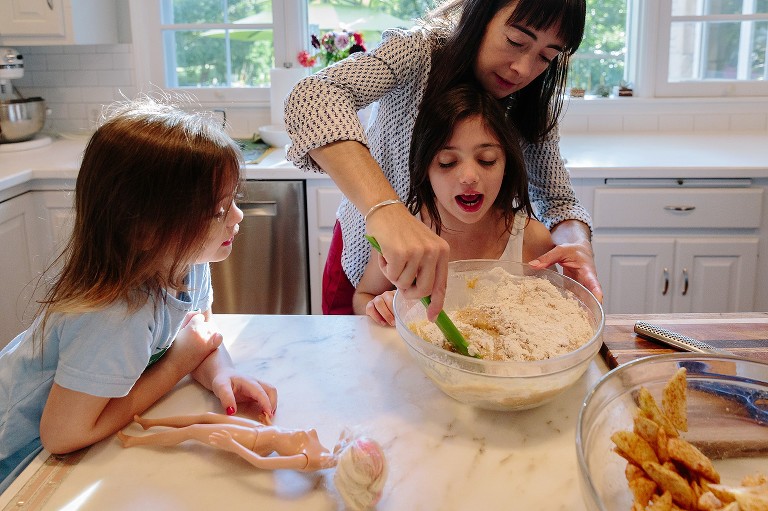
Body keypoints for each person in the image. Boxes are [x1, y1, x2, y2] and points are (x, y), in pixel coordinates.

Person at [0, 95, 278, 493]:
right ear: (146, 230)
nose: (237, 217)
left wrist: (223, 374)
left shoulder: (186, 262)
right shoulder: (114, 314)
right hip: (15, 462)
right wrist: (176, 366)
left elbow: (196, 330)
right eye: (219, 210)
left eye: (232, 201)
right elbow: (62, 435)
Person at [285, 0, 601, 321]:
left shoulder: (531, 100)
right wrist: (385, 210)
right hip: (368, 262)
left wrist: (577, 247)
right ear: (482, 14)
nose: (523, 69)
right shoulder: (416, 52)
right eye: (516, 42)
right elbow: (313, 96)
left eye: (546, 57)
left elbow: (557, 200)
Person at [353, 85, 555, 326]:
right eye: (447, 162)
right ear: (425, 170)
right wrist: (380, 306)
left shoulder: (532, 239)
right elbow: (363, 297)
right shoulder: (404, 235)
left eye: (486, 160)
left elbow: (553, 316)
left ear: (506, 165)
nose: (469, 176)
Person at [118, 413, 387, 511]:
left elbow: (261, 462)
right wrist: (273, 427)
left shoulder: (310, 460)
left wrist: (231, 445)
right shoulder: (325, 453)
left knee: (192, 433)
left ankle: (134, 441)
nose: (345, 438)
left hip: (251, 440)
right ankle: (149, 422)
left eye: (350, 444)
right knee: (205, 416)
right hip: (260, 428)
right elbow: (287, 438)